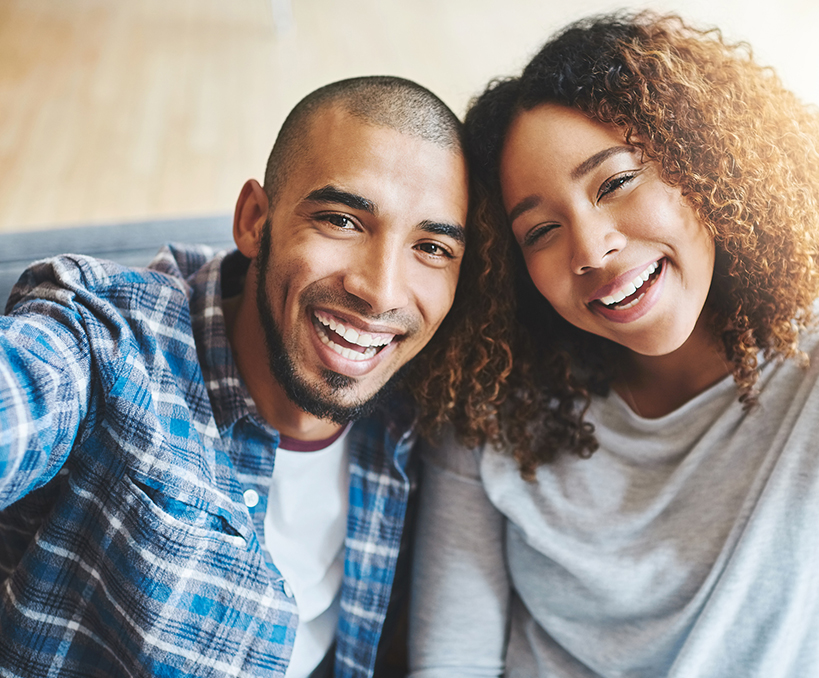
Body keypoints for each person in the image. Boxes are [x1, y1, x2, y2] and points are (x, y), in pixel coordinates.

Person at [408, 12, 819, 678]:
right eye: (540, 231)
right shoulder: (493, 396)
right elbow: (451, 656)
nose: (591, 248)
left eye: (615, 183)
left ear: (705, 167)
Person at [0, 76, 506, 678]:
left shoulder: (429, 400)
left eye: (432, 248)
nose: (382, 291)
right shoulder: (106, 338)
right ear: (254, 221)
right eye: (343, 221)